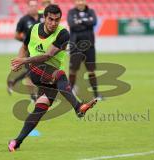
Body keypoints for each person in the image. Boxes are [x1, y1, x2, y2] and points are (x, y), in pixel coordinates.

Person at [8, 4, 97, 152]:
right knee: (59, 75)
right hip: (36, 70)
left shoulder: (63, 34)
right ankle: (78, 107)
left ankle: (16, 142)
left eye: (57, 19)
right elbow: (24, 47)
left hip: (52, 76)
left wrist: (23, 61)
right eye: (50, 19)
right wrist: (20, 60)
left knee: (40, 108)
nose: (53, 23)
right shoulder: (33, 29)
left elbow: (48, 55)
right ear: (44, 18)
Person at [7, 0, 53, 101]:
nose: (34, 7)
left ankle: (14, 82)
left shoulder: (43, 16)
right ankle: (34, 96)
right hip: (30, 51)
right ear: (28, 7)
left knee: (40, 71)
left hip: (43, 50)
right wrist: (25, 42)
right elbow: (16, 35)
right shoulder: (23, 20)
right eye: (31, 6)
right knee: (30, 73)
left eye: (35, 5)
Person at [67, 0, 102, 100]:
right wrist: (86, 22)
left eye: (82, 0)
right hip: (76, 46)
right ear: (75, 2)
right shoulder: (71, 12)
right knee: (73, 70)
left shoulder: (91, 11)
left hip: (89, 47)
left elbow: (94, 22)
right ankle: (70, 93)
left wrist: (80, 21)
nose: (80, 2)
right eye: (78, 1)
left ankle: (96, 94)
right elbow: (72, 24)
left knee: (91, 71)